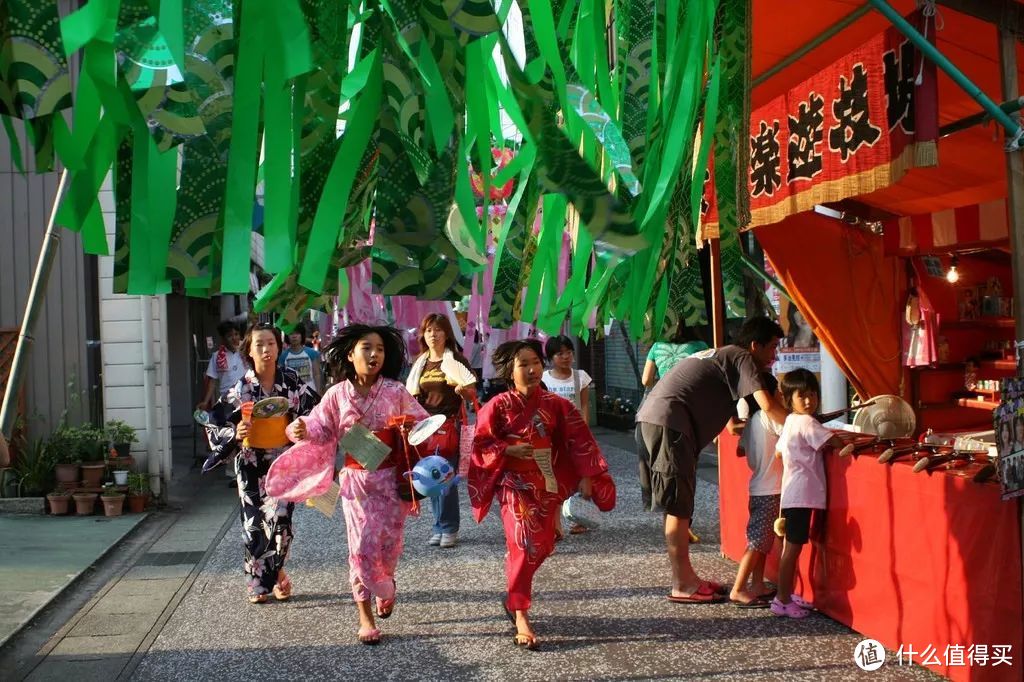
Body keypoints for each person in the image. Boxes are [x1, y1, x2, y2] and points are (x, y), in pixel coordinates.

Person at [469, 339, 616, 650]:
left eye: (535, 362)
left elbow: (579, 439)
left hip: (545, 482)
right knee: (523, 544)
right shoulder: (497, 406)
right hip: (513, 482)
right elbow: (479, 445)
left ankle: (513, 590)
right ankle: (521, 613)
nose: (532, 369)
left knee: (544, 545)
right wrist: (507, 449)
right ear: (510, 371)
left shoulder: (556, 405)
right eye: (524, 364)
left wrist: (589, 475)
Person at [287, 324, 429, 645]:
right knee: (361, 548)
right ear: (351, 355)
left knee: (389, 547)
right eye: (367, 348)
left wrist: (411, 430)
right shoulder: (336, 394)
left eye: (379, 349)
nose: (374, 354)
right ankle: (365, 616)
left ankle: (386, 582)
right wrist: (302, 428)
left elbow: (422, 423)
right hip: (356, 484)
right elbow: (321, 426)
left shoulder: (395, 391)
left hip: (392, 482)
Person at [635, 316, 787, 604]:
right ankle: (683, 584)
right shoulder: (743, 358)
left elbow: (732, 426)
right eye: (773, 347)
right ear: (755, 345)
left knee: (678, 504)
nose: (774, 356)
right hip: (670, 423)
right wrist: (802, 425)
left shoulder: (724, 358)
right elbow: (768, 407)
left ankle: (687, 578)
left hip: (656, 420)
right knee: (678, 507)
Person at [201, 322, 320, 604]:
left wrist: (303, 427)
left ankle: (276, 571)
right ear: (249, 352)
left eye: (271, 343)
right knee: (254, 523)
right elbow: (215, 424)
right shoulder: (240, 389)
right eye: (259, 345)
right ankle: (260, 583)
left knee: (281, 520)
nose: (266, 349)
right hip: (251, 461)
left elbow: (313, 414)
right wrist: (235, 433)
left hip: (283, 461)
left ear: (278, 348)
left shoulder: (290, 381)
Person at [772, 368, 849, 618]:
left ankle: (786, 594)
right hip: (802, 494)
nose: (809, 401)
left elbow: (779, 452)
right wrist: (845, 442)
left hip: (792, 492)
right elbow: (833, 442)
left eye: (813, 395)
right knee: (792, 549)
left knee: (791, 547)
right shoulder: (806, 421)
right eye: (802, 396)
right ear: (789, 399)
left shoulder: (791, 421)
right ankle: (781, 600)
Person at [406, 313, 478, 549]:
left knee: (444, 476)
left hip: (448, 425)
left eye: (437, 330)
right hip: (424, 427)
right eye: (428, 330)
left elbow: (471, 393)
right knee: (429, 478)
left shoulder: (456, 360)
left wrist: (461, 390)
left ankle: (449, 527)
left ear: (446, 334)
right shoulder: (420, 363)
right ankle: (438, 525)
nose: (432, 335)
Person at [638, 321, 709, 541]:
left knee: (663, 468)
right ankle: (684, 525)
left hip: (659, 412)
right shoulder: (700, 346)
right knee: (686, 469)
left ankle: (669, 523)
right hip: (688, 410)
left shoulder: (657, 346)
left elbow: (646, 380)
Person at [729, 372, 782, 608]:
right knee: (757, 542)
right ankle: (739, 589)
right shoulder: (770, 417)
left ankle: (757, 583)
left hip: (758, 487)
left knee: (762, 541)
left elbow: (740, 451)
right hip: (771, 488)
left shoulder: (750, 422)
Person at [541, 335, 593, 423]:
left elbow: (584, 405)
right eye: (560, 354)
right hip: (552, 427)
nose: (565, 357)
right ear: (551, 357)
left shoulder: (581, 376)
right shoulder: (543, 378)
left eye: (569, 352)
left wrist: (585, 430)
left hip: (574, 428)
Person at [196, 320, 246, 411]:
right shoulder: (217, 356)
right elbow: (212, 381)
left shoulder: (246, 353)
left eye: (236, 334)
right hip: (226, 401)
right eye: (230, 336)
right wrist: (206, 402)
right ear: (223, 339)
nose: (234, 338)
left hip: (246, 399)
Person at [279, 326, 322, 394]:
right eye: (291, 333)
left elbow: (317, 374)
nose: (294, 336)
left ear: (302, 335)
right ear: (287, 336)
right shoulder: (283, 356)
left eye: (297, 333)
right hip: (291, 395)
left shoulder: (311, 353)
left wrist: (318, 392)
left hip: (310, 392)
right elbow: (281, 377)